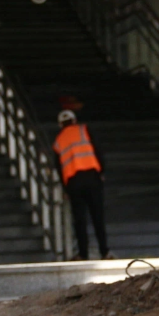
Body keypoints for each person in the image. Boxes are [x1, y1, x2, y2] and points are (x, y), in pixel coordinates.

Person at [53, 109, 113, 260]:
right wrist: (102, 172)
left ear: (60, 124)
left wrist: (65, 188)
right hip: (92, 178)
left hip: (74, 183)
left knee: (80, 220)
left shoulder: (58, 142)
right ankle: (104, 252)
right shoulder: (84, 130)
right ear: (74, 121)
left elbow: (59, 168)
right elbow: (97, 150)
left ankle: (83, 254)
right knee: (97, 216)